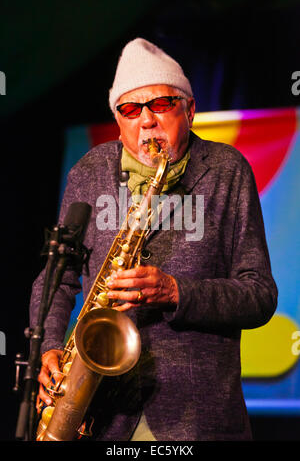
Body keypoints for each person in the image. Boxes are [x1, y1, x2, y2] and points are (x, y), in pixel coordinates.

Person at [30, 38, 277, 441]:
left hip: (197, 418)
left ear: (190, 111)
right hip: (105, 418)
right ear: (119, 121)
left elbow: (260, 294)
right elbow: (57, 275)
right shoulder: (90, 171)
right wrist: (51, 347)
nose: (146, 120)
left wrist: (177, 292)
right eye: (130, 109)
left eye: (161, 104)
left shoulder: (227, 170)